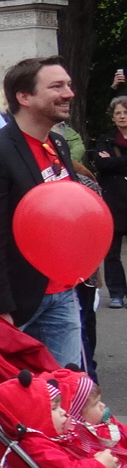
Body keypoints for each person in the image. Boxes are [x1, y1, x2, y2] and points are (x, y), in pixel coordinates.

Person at [0, 57, 82, 369]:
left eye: (68, 85)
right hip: (22, 299)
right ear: (24, 97)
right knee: (33, 392)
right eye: (56, 86)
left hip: (64, 291)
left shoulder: (58, 143)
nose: (69, 93)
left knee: (71, 388)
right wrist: (1, 305)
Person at [90, 95, 127, 309]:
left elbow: (110, 163)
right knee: (112, 253)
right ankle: (116, 294)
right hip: (113, 202)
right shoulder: (106, 139)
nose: (122, 116)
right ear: (112, 117)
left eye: (125, 112)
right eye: (118, 113)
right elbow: (101, 164)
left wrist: (115, 161)